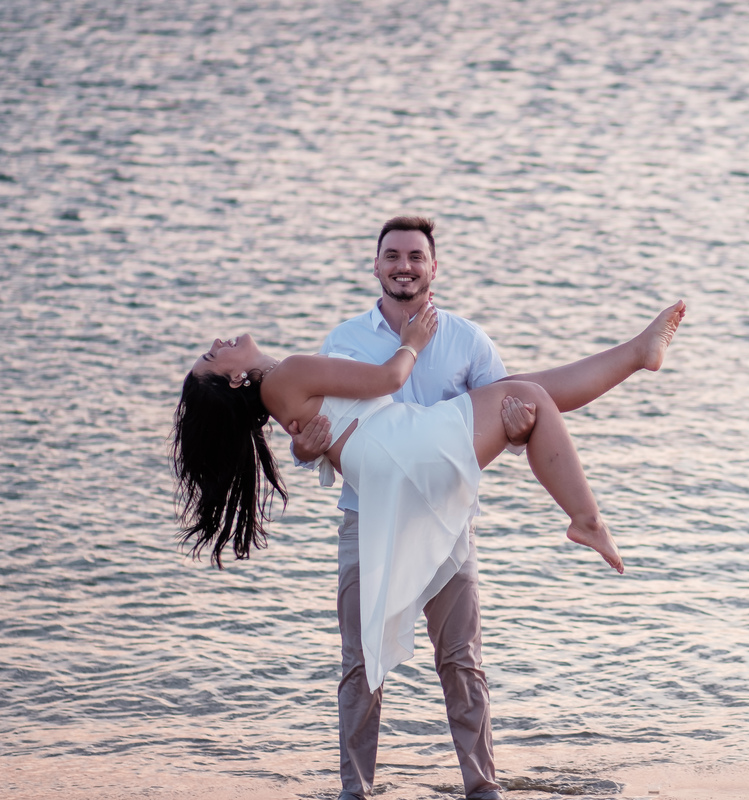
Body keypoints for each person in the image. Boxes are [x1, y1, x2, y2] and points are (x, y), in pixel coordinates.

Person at [172, 217, 685, 800]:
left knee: (525, 396)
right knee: (363, 661)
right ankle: (587, 514)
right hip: (389, 486)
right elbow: (380, 384)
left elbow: (486, 416)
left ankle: (395, 791)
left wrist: (516, 430)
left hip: (412, 481)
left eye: (416, 255)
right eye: (211, 359)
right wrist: (411, 345)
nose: (404, 264)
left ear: (432, 267)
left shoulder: (461, 338)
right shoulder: (315, 354)